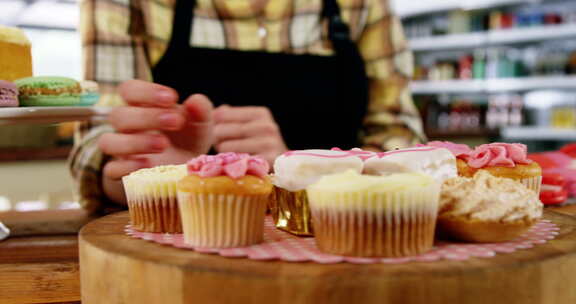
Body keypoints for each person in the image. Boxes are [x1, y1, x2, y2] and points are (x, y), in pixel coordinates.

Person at [70, 0, 426, 213]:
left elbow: (404, 144)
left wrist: (305, 171)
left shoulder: (362, 6)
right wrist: (153, 172)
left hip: (345, 251)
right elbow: (96, 151)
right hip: (180, 260)